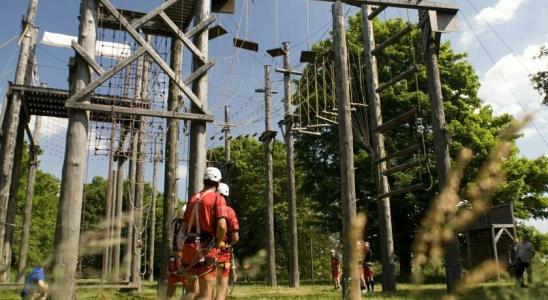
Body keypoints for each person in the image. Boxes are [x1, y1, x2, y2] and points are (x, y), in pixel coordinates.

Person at [180, 167, 229, 300]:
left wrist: (180, 249)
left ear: (204, 181)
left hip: (188, 247)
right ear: (218, 183)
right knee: (205, 294)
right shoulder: (217, 198)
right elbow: (222, 226)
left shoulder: (192, 199)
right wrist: (217, 245)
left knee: (190, 292)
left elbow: (183, 228)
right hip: (205, 247)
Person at [215, 183, 240, 300]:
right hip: (223, 254)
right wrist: (228, 244)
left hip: (205, 251)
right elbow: (235, 237)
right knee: (222, 287)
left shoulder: (208, 209)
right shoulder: (230, 211)